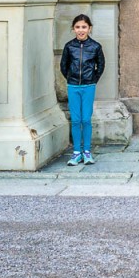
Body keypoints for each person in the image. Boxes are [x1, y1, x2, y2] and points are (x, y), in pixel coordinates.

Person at [59, 14, 105, 166]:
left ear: (89, 28)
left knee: (86, 119)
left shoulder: (95, 46)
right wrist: (71, 78)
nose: (81, 30)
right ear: (73, 29)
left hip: (88, 86)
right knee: (76, 119)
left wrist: (92, 79)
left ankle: (87, 151)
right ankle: (76, 152)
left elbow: (101, 66)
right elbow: (63, 66)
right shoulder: (69, 46)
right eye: (77, 27)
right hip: (73, 86)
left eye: (84, 27)